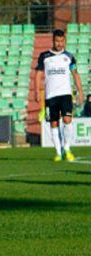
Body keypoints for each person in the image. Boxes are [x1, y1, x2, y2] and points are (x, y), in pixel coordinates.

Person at [35, 28, 83, 162]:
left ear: (65, 41)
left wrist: (80, 92)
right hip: (50, 96)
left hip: (65, 94)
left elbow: (75, 74)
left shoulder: (69, 56)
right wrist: (37, 91)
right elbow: (38, 75)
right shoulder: (44, 56)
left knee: (68, 120)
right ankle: (58, 152)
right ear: (53, 41)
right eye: (57, 41)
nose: (60, 44)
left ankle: (67, 148)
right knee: (54, 123)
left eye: (62, 41)